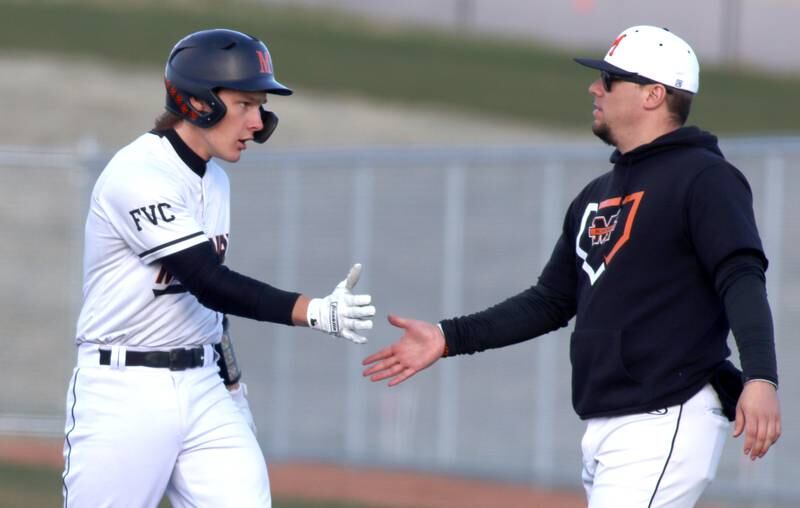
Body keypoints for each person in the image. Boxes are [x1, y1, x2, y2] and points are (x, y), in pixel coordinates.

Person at [363, 25, 780, 507]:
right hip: (608, 421)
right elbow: (551, 300)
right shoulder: (596, 194)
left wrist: (761, 377)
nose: (595, 87)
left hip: (667, 412)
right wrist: (448, 336)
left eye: (610, 78)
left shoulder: (706, 179)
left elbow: (741, 276)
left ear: (654, 94)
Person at [62, 28, 375, 508]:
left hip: (204, 384)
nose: (258, 121)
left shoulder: (216, 179)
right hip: (125, 390)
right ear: (198, 102)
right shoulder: (138, 175)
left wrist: (230, 380)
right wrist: (312, 310)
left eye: (260, 106)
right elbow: (208, 282)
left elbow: (201, 305)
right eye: (246, 103)